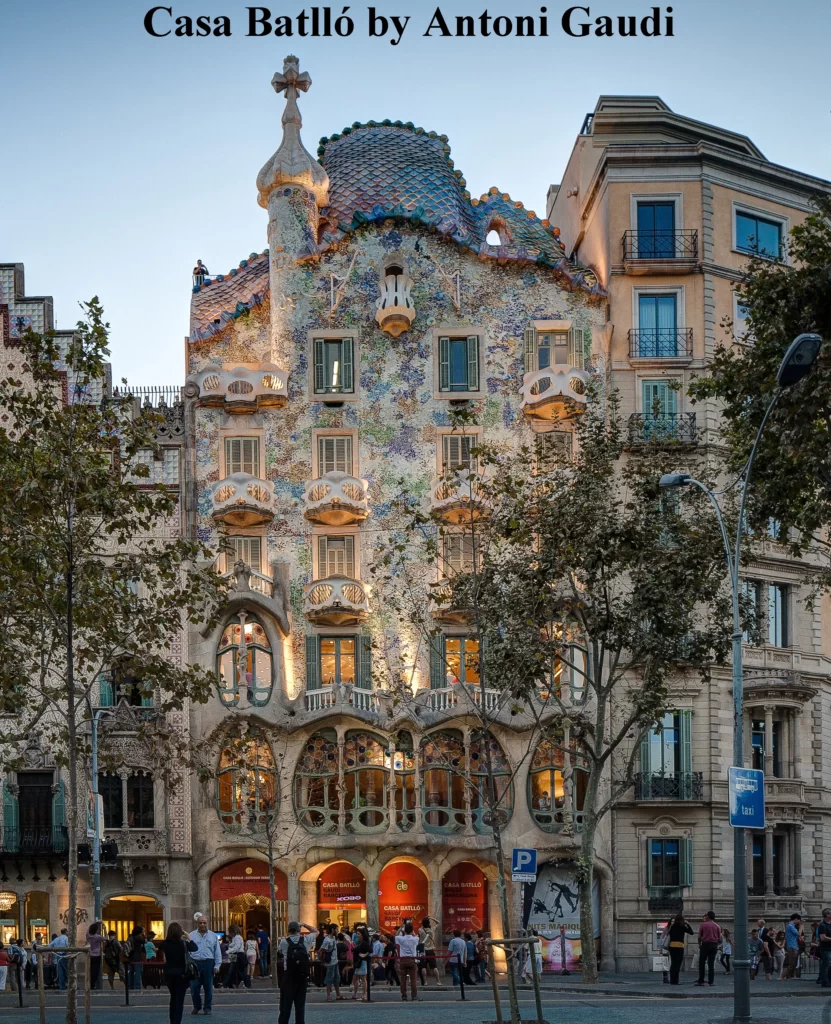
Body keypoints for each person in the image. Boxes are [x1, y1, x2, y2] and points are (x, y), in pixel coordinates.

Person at [155, 922, 198, 1024]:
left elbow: (158, 948)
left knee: (173, 998)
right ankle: (176, 1021)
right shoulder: (183, 944)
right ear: (180, 932)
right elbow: (195, 948)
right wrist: (189, 937)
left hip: (169, 973)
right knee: (180, 1000)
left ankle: (172, 1020)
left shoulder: (165, 943)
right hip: (181, 974)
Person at [278, 921, 312, 1024]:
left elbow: (279, 953)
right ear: (299, 930)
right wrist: (304, 925)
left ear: (288, 930)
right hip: (302, 977)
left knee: (285, 1006)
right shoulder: (305, 940)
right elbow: (316, 931)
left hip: (289, 977)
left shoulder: (284, 942)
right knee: (300, 1006)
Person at [189, 913, 221, 1015]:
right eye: (200, 923)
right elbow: (188, 952)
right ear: (197, 924)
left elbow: (217, 951)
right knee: (194, 987)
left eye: (204, 923)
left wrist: (217, 965)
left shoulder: (213, 936)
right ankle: (196, 1007)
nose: (202, 924)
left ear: (207, 923)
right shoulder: (191, 935)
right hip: (195, 963)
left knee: (208, 988)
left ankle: (207, 1008)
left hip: (208, 963)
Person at [395, 920, 420, 1002]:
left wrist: (401, 927)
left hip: (403, 960)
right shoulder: (415, 939)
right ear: (412, 930)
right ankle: (414, 996)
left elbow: (395, 935)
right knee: (413, 979)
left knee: (403, 980)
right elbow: (415, 936)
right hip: (412, 960)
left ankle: (404, 996)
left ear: (404, 930)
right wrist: (412, 931)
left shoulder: (400, 938)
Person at [696, 911, 721, 987]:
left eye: (706, 915)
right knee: (711, 963)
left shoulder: (703, 925)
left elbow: (699, 936)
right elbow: (719, 938)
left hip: (705, 944)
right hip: (714, 945)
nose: (705, 916)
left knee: (702, 963)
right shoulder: (717, 926)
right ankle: (711, 981)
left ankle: (701, 981)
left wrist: (699, 944)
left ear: (708, 916)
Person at [666, 912, 693, 985]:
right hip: (679, 946)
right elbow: (691, 932)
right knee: (678, 964)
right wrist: (687, 924)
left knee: (673, 963)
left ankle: (672, 980)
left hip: (672, 946)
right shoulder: (682, 926)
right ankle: (676, 980)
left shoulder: (672, 926)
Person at [417, 917, 442, 987]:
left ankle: (425, 982)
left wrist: (423, 922)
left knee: (423, 967)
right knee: (434, 967)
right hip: (430, 950)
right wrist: (431, 918)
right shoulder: (432, 930)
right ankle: (438, 981)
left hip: (423, 950)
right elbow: (438, 922)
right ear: (429, 923)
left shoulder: (420, 930)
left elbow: (420, 932)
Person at [321, 924, 341, 1001]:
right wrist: (323, 961)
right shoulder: (327, 940)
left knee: (336, 978)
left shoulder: (334, 938)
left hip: (335, 961)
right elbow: (321, 950)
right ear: (332, 930)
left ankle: (338, 994)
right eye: (336, 929)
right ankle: (328, 996)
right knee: (329, 979)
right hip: (330, 962)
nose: (337, 931)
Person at [226, 924, 249, 989]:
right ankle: (229, 983)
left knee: (239, 970)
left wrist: (228, 951)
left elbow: (236, 947)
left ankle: (246, 983)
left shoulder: (237, 937)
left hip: (238, 955)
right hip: (237, 955)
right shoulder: (236, 937)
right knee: (234, 970)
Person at [351, 925, 370, 1001]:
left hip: (362, 962)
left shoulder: (365, 943)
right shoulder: (359, 942)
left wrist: (364, 955)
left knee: (363, 978)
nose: (357, 935)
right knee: (355, 978)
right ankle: (355, 994)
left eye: (358, 934)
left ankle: (364, 994)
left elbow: (370, 950)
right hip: (358, 962)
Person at [782, 914, 802, 980]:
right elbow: (799, 934)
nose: (798, 922)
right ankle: (782, 976)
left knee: (792, 963)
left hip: (792, 946)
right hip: (792, 946)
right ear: (796, 919)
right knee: (792, 963)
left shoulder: (789, 926)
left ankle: (788, 976)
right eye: (798, 920)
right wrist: (801, 926)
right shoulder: (791, 926)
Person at [86, 922, 103, 990]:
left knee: (90, 970)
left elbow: (88, 928)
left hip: (90, 954)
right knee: (95, 971)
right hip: (97, 955)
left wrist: (95, 922)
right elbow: (106, 938)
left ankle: (90, 984)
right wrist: (104, 929)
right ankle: (92, 985)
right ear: (96, 930)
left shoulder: (88, 935)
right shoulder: (97, 937)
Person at [818, 907, 831, 987]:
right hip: (826, 948)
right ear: (827, 915)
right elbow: (823, 938)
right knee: (826, 964)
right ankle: (824, 981)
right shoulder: (822, 925)